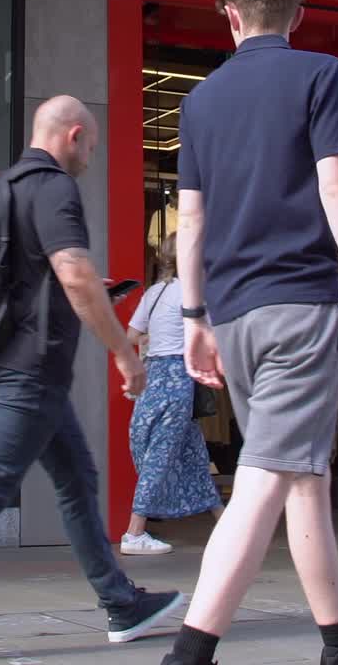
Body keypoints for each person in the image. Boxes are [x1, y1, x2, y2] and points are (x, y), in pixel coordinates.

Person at [0, 96, 181, 664]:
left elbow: (43, 278)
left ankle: (121, 603)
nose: (91, 156)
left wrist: (88, 292)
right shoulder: (54, 187)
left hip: (29, 370)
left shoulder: (12, 188)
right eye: (91, 145)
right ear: (74, 135)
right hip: (30, 373)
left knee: (77, 481)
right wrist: (125, 354)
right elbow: (74, 274)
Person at [160, 0, 338, 665]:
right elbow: (336, 185)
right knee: (267, 477)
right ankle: (187, 656)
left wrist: (194, 317)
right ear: (298, 16)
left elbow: (191, 221)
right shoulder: (321, 74)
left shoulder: (199, 102)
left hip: (233, 314)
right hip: (298, 303)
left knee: (304, 478)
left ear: (231, 16)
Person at [123, 232, 224, 556]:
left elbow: (132, 335)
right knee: (161, 452)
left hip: (153, 375)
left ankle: (225, 523)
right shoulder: (194, 293)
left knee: (193, 454)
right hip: (178, 378)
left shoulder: (154, 292)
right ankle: (134, 532)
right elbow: (213, 334)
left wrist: (157, 339)